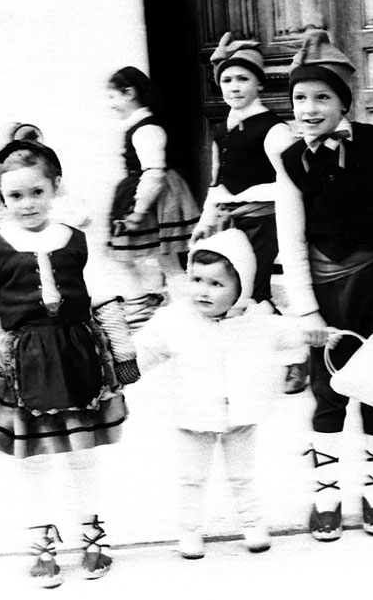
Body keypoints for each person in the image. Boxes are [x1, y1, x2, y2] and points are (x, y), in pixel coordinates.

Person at [0, 138, 138, 588]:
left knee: (83, 453)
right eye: (15, 195)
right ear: (2, 196)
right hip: (23, 368)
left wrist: (123, 354)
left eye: (36, 192)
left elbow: (106, 299)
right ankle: (41, 538)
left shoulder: (76, 242)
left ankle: (93, 533)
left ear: (55, 186)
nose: (27, 204)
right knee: (32, 460)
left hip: (79, 361)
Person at [273, 29, 373, 539]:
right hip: (326, 287)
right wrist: (305, 309)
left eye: (322, 97)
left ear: (344, 103)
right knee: (327, 387)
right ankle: (325, 494)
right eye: (300, 98)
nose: (309, 108)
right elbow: (291, 237)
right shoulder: (289, 160)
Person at [134, 228, 337, 558]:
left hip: (241, 413)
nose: (203, 291)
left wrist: (317, 335)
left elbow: (292, 334)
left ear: (240, 286)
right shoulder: (174, 319)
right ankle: (189, 530)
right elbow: (144, 351)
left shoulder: (258, 320)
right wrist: (117, 372)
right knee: (191, 477)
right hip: (193, 413)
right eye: (197, 280)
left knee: (242, 475)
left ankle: (253, 523)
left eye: (217, 284)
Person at [192, 32, 311, 394]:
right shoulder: (225, 127)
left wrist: (247, 197)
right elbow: (219, 180)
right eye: (227, 80)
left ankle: (296, 360)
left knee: (254, 291)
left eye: (243, 78)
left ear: (259, 82)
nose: (234, 86)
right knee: (239, 292)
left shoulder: (274, 130)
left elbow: (291, 183)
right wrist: (205, 219)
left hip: (264, 221)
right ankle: (258, 360)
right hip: (233, 222)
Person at [106, 66, 201, 327]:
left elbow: (154, 172)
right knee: (163, 260)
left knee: (153, 259)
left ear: (130, 93)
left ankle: (154, 309)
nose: (111, 104)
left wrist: (138, 210)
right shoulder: (139, 125)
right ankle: (168, 308)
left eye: (113, 97)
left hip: (157, 197)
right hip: (150, 192)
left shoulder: (146, 129)